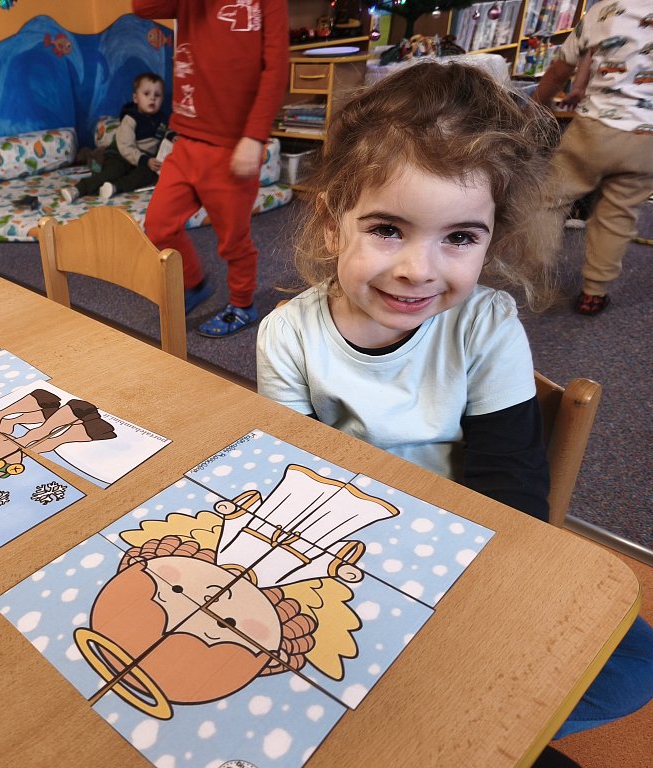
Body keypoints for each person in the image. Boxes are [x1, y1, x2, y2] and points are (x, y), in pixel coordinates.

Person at [257, 60, 653, 742]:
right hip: (339, 551)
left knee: (634, 664)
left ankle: (438, 729)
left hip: (465, 546)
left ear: (491, 238)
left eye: (460, 238)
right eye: (387, 229)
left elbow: (513, 486)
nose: (418, 270)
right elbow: (291, 473)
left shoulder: (486, 326)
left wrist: (465, 592)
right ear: (330, 225)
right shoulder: (288, 334)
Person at [132, 0, 290, 338]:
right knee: (158, 225)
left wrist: (254, 136)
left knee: (233, 239)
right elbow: (143, 7)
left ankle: (243, 303)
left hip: (232, 145)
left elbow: (277, 69)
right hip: (186, 141)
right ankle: (194, 283)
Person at [533, 0, 653, 315]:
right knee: (618, 216)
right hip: (646, 142)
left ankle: (536, 270)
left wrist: (536, 104)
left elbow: (560, 70)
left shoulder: (603, 11)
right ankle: (594, 293)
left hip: (595, 131)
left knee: (550, 198)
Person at [61, 72, 168, 203]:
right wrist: (144, 160)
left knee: (149, 174)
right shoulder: (130, 119)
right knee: (113, 171)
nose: (152, 99)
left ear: (163, 99)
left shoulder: (162, 119)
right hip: (121, 155)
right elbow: (126, 147)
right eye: (146, 94)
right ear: (136, 98)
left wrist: (171, 136)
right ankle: (79, 188)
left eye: (157, 95)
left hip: (142, 160)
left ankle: (115, 187)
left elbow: (167, 132)